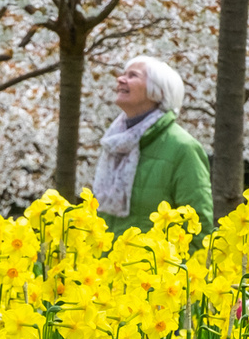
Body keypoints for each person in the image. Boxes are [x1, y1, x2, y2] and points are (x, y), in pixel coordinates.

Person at [91, 56, 213, 237]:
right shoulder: (114, 143)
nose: (120, 79)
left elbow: (198, 226)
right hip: (107, 264)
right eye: (123, 74)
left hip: (154, 263)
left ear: (158, 92)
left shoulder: (183, 148)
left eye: (132, 75)